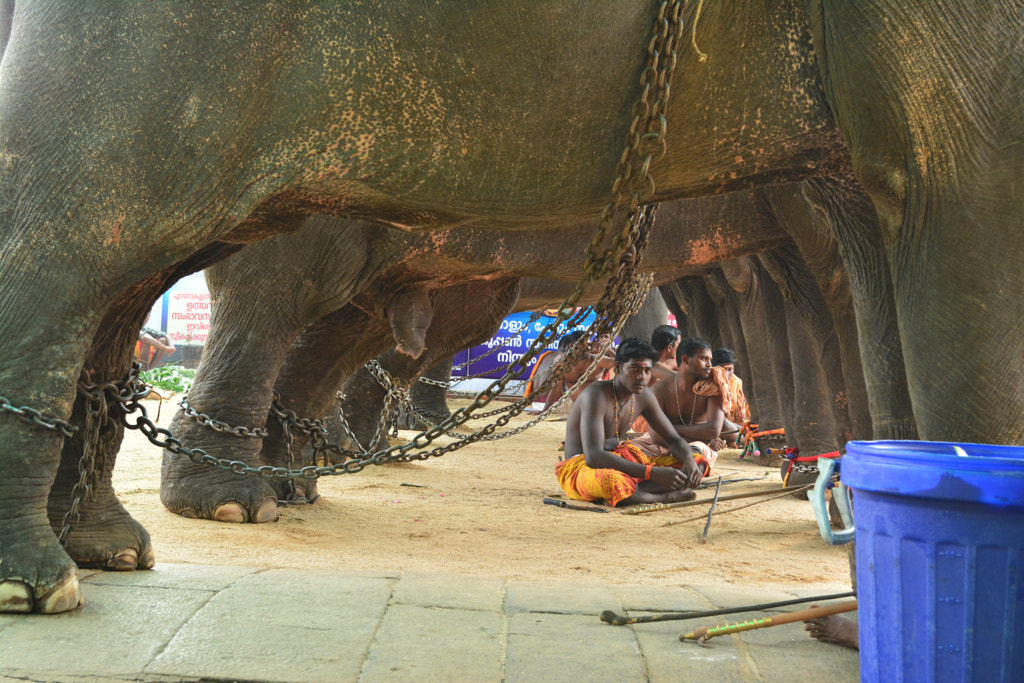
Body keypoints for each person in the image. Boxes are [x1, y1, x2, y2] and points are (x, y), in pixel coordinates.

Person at [555, 338, 706, 507]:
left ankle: (637, 492)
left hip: (623, 461)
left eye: (647, 371)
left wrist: (689, 463)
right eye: (634, 369)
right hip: (582, 467)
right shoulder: (596, 395)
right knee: (612, 482)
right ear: (618, 368)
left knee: (698, 462)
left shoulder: (644, 396)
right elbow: (594, 457)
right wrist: (652, 473)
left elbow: (674, 440)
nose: (642, 377)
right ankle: (662, 496)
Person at [631, 338, 731, 468]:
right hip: (660, 444)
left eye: (710, 360)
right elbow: (656, 436)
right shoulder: (660, 388)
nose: (709, 364)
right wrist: (702, 436)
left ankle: (665, 468)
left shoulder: (712, 388)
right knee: (628, 453)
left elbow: (713, 431)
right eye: (704, 359)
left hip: (695, 445)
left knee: (694, 455)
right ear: (685, 360)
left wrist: (669, 429)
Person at [543, 332, 615, 409]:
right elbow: (556, 387)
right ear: (572, 346)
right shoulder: (562, 361)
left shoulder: (596, 359)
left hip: (602, 404)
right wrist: (545, 409)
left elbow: (621, 362)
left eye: (588, 344)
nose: (587, 348)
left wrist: (608, 349)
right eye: (583, 345)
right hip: (579, 407)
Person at [630, 324, 680, 433]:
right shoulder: (649, 365)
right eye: (678, 344)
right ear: (669, 347)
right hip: (645, 419)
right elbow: (680, 378)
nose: (680, 348)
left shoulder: (672, 364)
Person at [711, 347, 750, 447]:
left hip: (732, 426)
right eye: (724, 369)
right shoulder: (708, 383)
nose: (727, 374)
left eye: (730, 369)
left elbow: (741, 413)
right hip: (712, 428)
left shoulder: (736, 383)